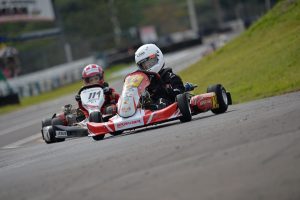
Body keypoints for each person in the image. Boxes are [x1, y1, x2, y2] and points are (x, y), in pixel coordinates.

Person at [53, 64, 119, 126]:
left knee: (112, 108)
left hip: (105, 113)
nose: (94, 82)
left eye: (96, 79)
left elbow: (118, 98)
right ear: (86, 81)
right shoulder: (84, 92)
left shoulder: (106, 89)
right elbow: (82, 107)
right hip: (88, 114)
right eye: (91, 80)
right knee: (68, 117)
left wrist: (110, 93)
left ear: (101, 78)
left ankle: (105, 120)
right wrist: (79, 100)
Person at [134, 43, 185, 109]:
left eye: (150, 62)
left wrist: (169, 90)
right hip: (149, 105)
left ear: (158, 56)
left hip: (168, 103)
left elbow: (179, 92)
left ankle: (155, 108)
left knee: (161, 101)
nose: (148, 66)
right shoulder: (143, 80)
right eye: (144, 65)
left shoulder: (169, 76)